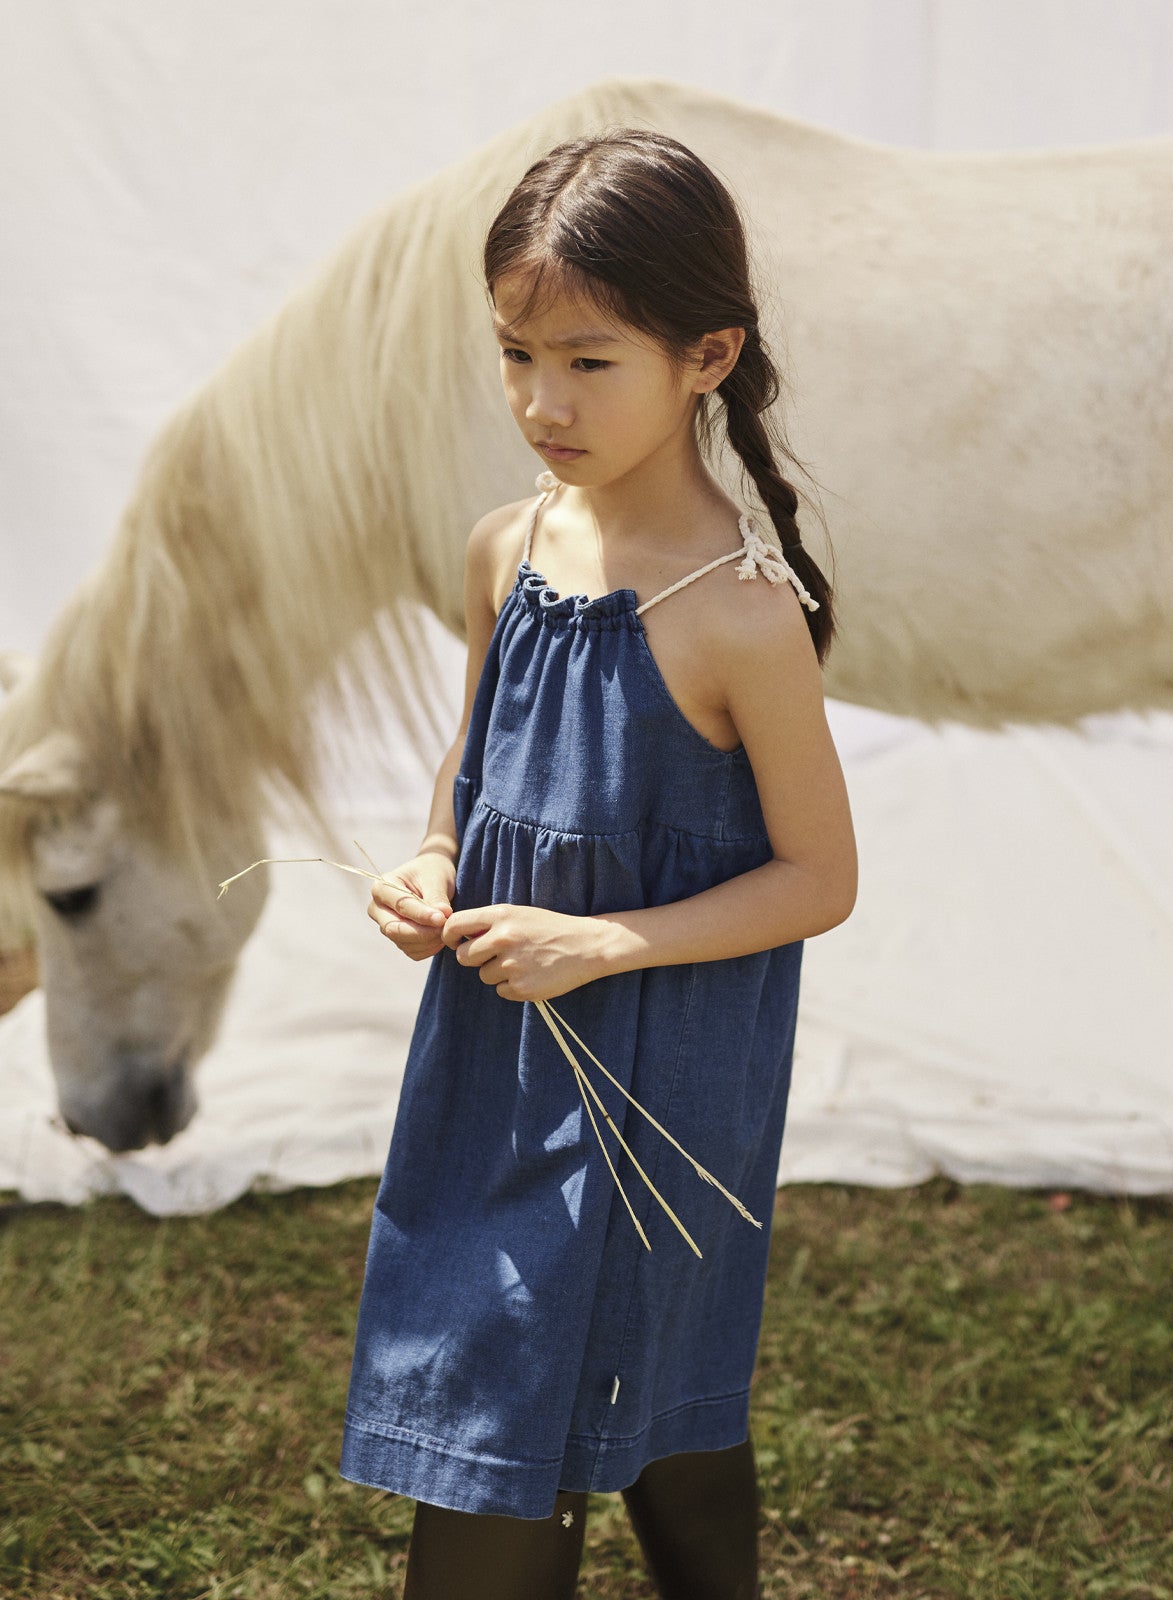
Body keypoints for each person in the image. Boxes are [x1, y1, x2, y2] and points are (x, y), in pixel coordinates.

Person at [337, 126, 856, 1600]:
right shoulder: (510, 549)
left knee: (625, 1382)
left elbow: (821, 878)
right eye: (515, 356)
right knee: (565, 1382)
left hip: (659, 1090)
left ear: (707, 356)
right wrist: (428, 862)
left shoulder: (742, 618)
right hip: (494, 1074)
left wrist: (607, 943)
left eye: (589, 361)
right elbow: (474, 765)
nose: (541, 403)